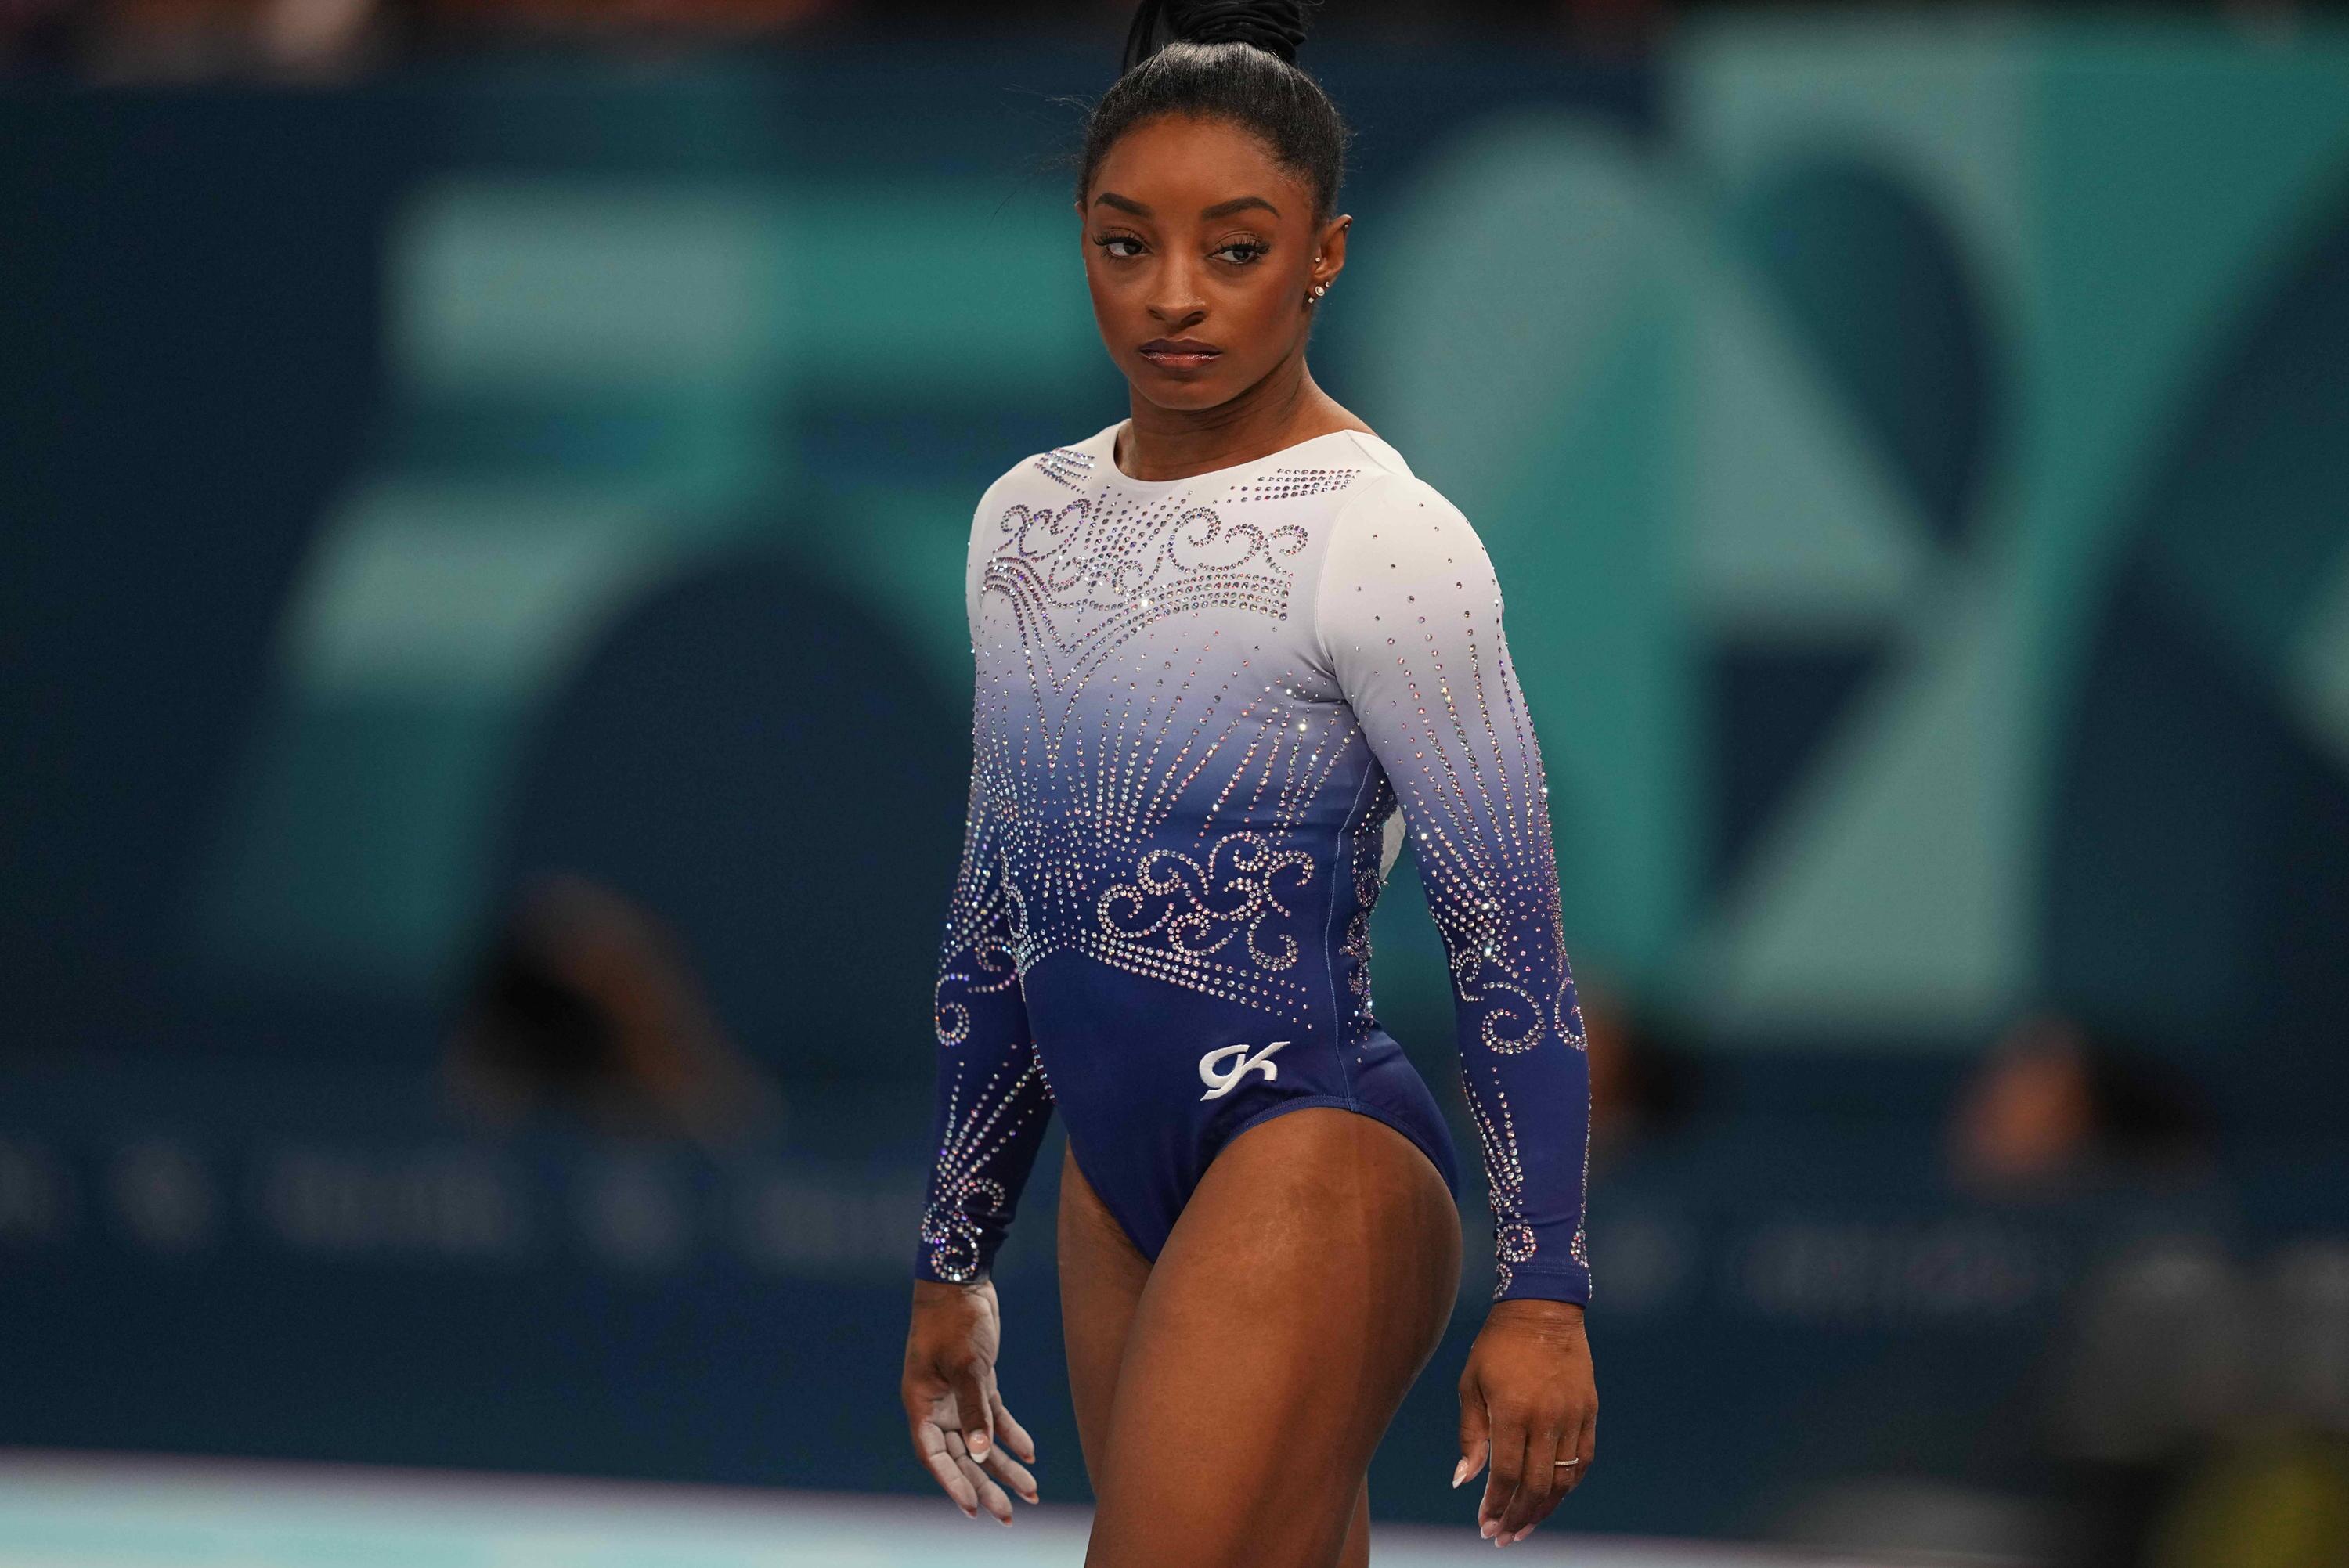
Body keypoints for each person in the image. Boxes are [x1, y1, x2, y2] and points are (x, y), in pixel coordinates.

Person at [898, 2, 1597, 1560]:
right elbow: (999, 915)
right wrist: (954, 1254)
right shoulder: (1022, 522)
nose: (1172, 296)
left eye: (1235, 249)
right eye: (1125, 244)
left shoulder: (1386, 537)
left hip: (1312, 1155)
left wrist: (1544, 1288)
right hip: (1117, 1185)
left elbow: (1511, 939)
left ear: (1325, 255)